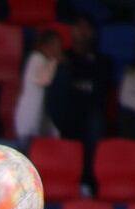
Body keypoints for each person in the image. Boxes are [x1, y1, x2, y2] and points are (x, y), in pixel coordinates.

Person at [47, 15, 112, 149]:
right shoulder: (63, 58)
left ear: (93, 32)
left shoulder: (103, 61)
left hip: (89, 110)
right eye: (79, 27)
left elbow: (101, 90)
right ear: (72, 30)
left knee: (95, 120)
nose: (83, 31)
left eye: (86, 27)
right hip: (65, 110)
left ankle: (90, 168)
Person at [13, 29, 63, 142]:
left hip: (41, 113)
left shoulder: (44, 60)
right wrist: (55, 60)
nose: (59, 50)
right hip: (29, 113)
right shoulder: (36, 58)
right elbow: (44, 79)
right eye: (57, 46)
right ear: (46, 46)